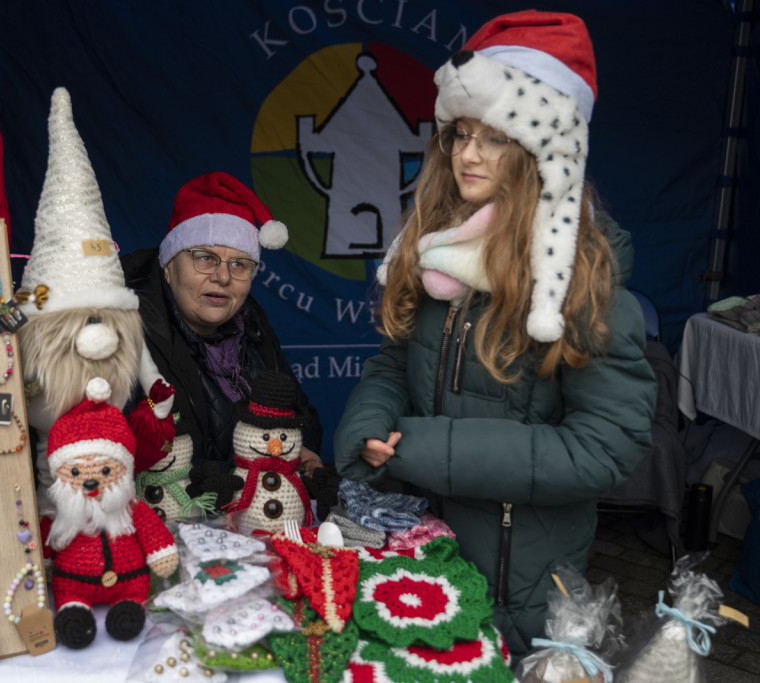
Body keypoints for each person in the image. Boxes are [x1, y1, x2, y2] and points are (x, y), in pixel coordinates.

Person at [333, 11, 656, 657]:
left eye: (496, 137)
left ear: (544, 147)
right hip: (421, 549)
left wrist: (421, 447)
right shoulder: (438, 251)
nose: (468, 153)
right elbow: (395, 360)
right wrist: (370, 421)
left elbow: (604, 447)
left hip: (519, 587)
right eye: (459, 134)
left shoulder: (583, 279)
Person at [122, 171, 323, 475]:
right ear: (168, 266)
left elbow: (302, 417)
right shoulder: (121, 323)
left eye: (239, 264)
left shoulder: (251, 323)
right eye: (205, 258)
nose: (223, 277)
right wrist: (241, 477)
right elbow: (121, 449)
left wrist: (295, 450)